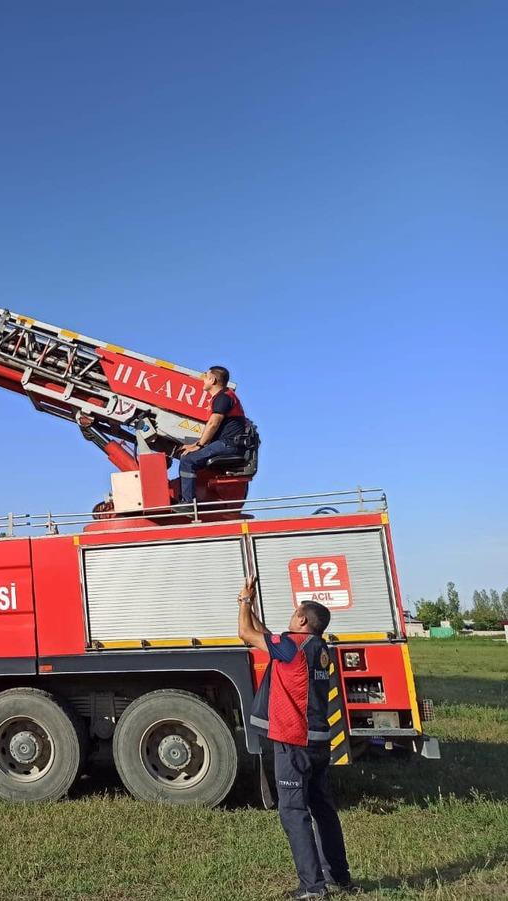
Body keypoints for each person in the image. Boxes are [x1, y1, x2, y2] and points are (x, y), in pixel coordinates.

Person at [237, 577, 355, 899]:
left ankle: (313, 889)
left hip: (293, 743)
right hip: (317, 742)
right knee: (323, 809)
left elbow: (247, 634)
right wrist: (253, 606)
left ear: (302, 620)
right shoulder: (315, 647)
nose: (290, 618)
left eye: (293, 614)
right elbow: (266, 636)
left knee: (294, 812)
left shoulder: (292, 646)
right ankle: (339, 878)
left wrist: (244, 600)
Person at [176, 365, 246, 504]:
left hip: (228, 444)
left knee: (188, 460)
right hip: (227, 443)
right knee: (188, 452)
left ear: (212, 379)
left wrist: (200, 445)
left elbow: (213, 423)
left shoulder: (223, 398)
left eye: (205, 378)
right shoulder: (225, 396)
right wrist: (195, 444)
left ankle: (188, 503)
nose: (203, 381)